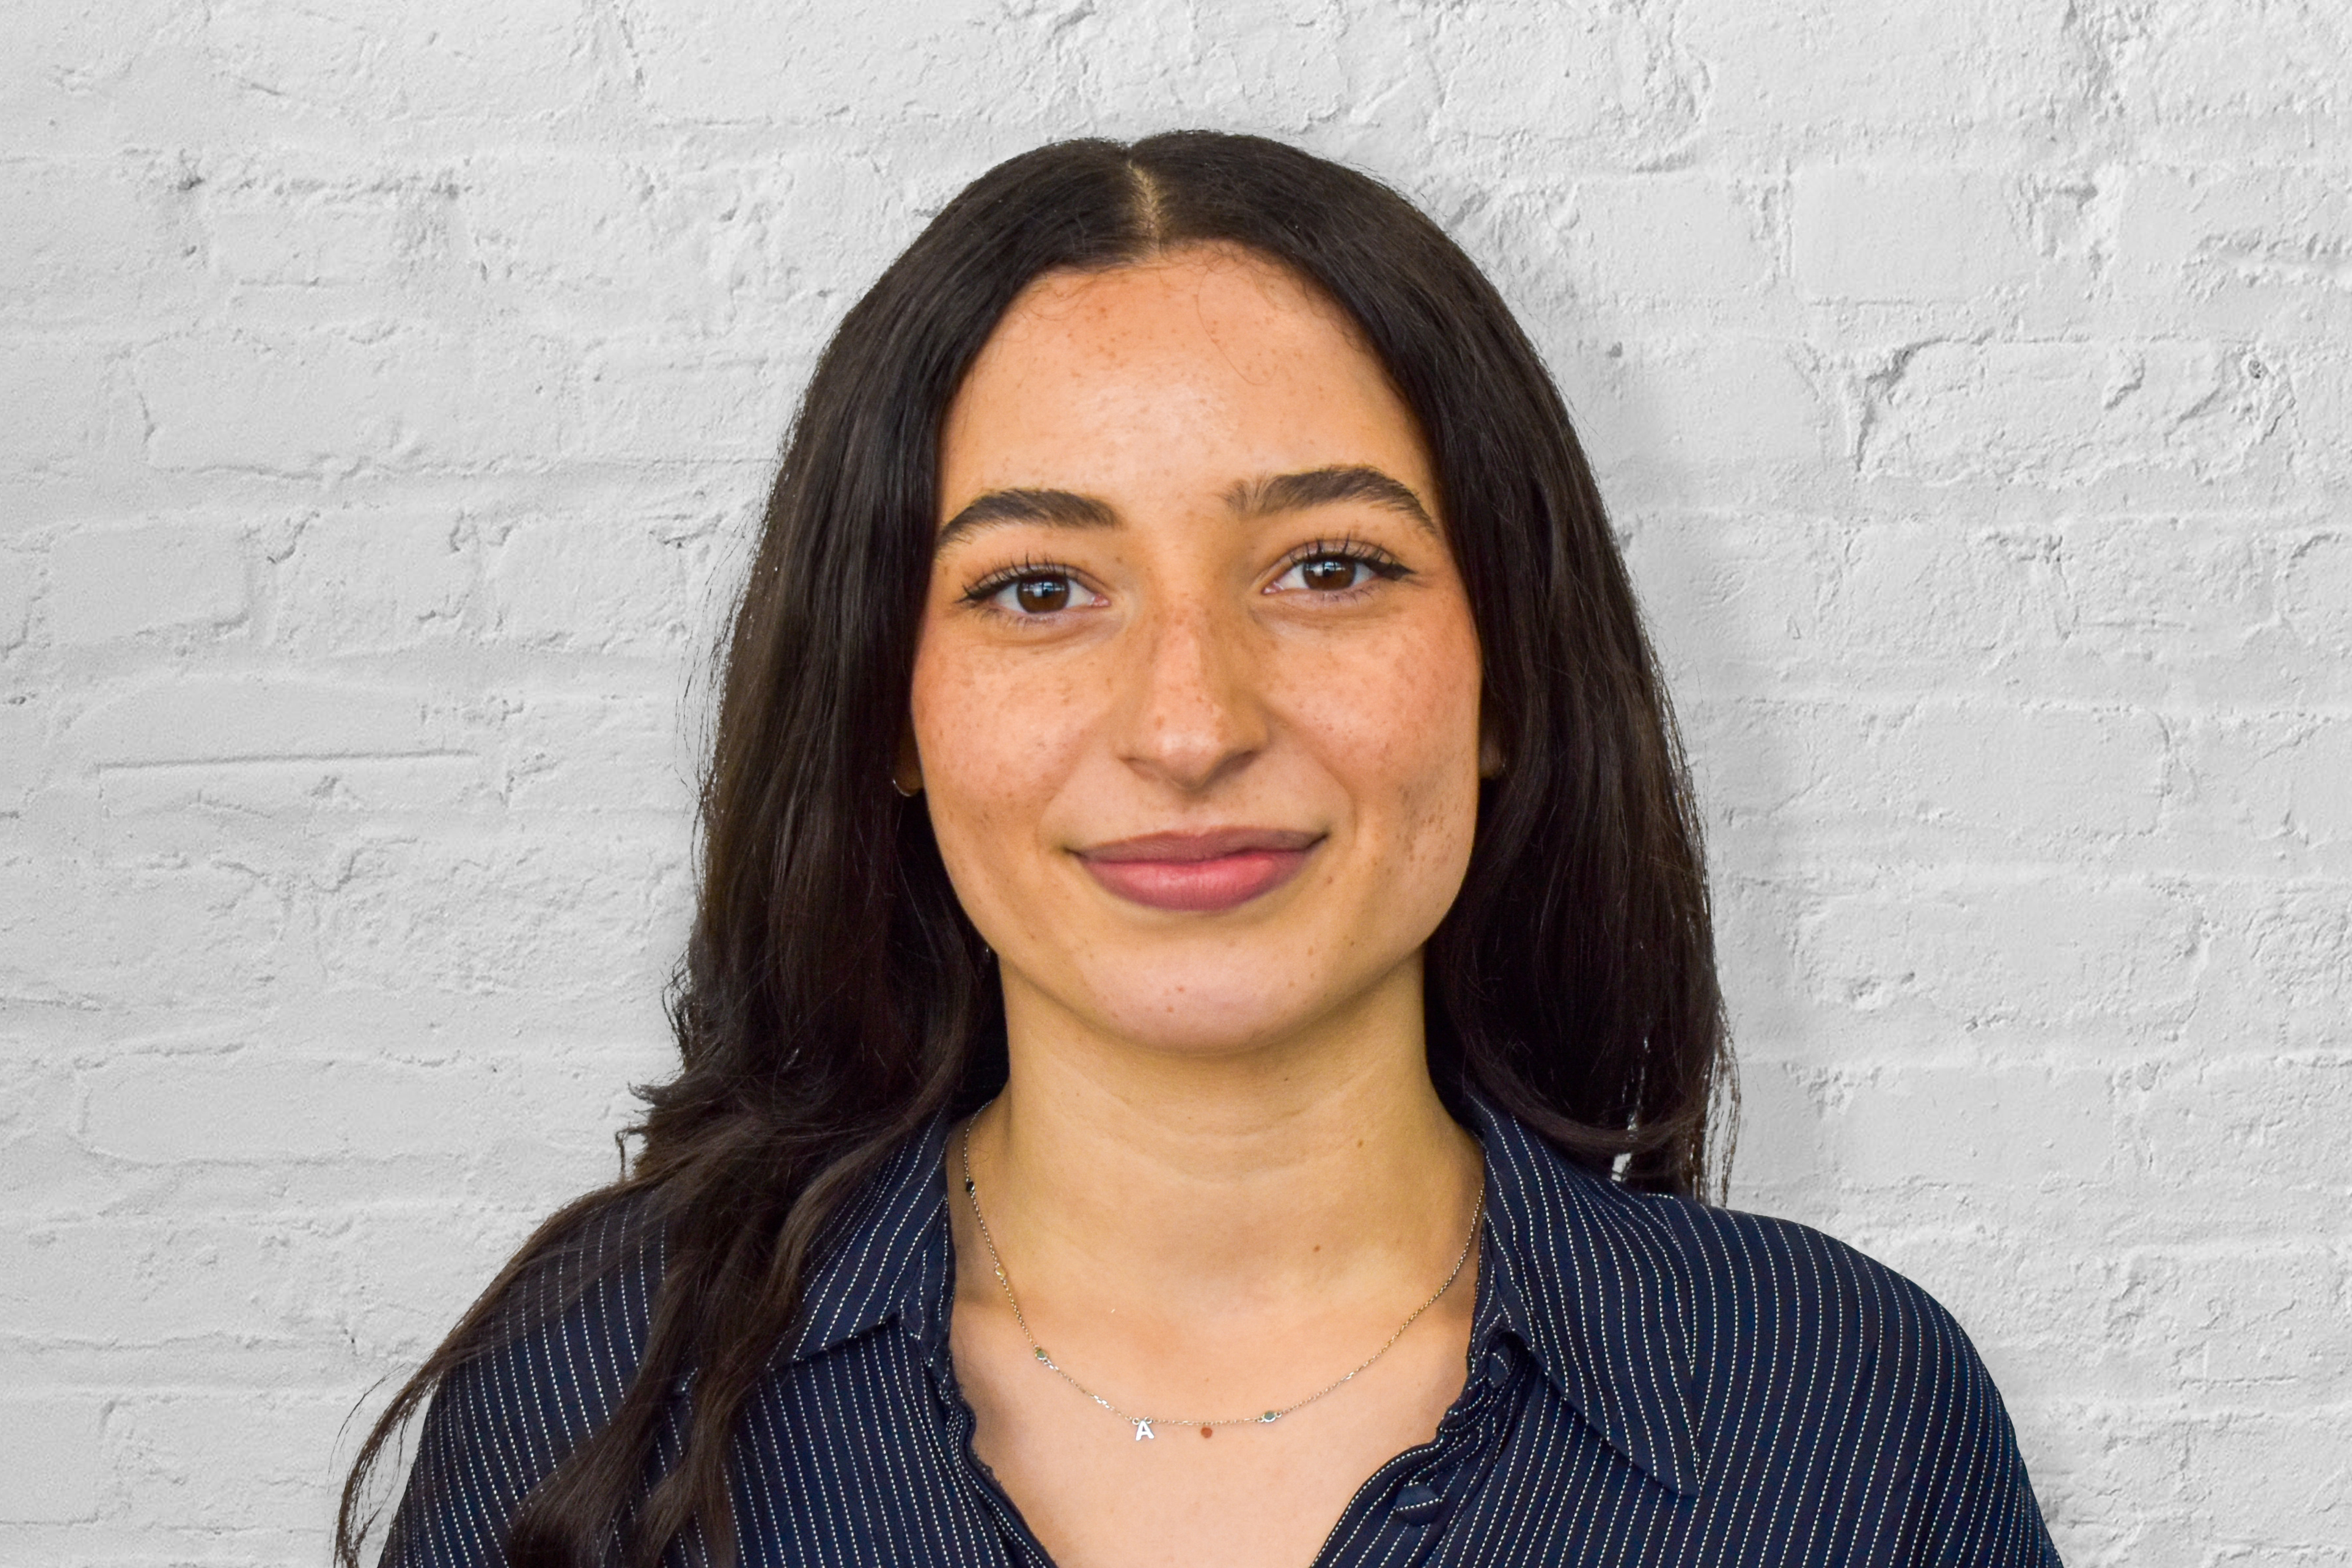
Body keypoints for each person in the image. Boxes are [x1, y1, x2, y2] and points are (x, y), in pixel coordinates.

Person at [339, 131, 2061, 1568]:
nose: (1188, 725)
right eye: (1038, 589)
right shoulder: (601, 1397)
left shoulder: (1840, 1414)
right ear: (886, 712)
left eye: (1329, 568)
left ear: (1509, 675)